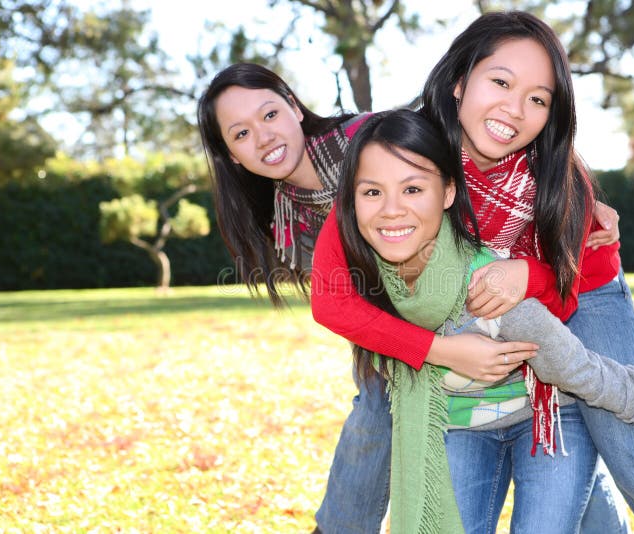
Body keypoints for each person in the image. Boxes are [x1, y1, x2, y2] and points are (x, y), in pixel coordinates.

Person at [311, 11, 634, 534]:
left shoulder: (556, 176)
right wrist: (440, 350)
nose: (515, 109)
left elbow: (559, 294)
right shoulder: (404, 156)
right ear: (460, 82)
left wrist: (525, 275)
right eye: (501, 82)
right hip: (493, 331)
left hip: (581, 284)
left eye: (538, 98)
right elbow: (332, 298)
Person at [196, 63, 536, 533]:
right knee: (377, 400)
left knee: (574, 405)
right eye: (241, 133)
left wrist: (577, 200)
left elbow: (493, 160)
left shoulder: (368, 138)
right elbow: (347, 308)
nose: (263, 137)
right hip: (407, 329)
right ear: (232, 155)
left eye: (270, 114)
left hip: (485, 291)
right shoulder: (285, 222)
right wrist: (433, 352)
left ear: (294, 107)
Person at [330, 108, 634, 533]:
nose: (391, 210)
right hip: (462, 425)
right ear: (349, 201)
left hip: (545, 416)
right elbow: (330, 307)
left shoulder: (485, 288)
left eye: (412, 189)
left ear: (447, 194)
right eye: (371, 192)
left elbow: (578, 368)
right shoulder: (369, 280)